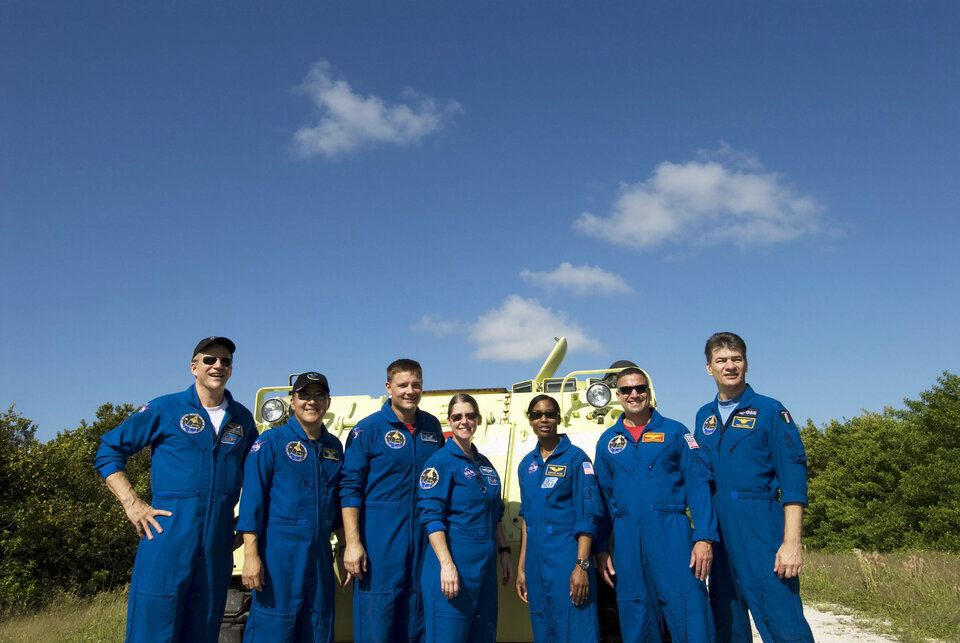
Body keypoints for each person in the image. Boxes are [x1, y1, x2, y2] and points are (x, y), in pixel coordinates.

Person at [94, 336, 258, 642]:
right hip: (167, 535)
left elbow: (258, 474)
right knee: (154, 628)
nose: (217, 365)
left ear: (231, 370)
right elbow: (108, 450)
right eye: (209, 360)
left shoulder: (243, 419)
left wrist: (245, 524)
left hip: (218, 546)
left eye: (225, 361)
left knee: (204, 629)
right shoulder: (165, 408)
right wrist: (132, 503)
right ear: (194, 367)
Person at [694, 332, 814, 643]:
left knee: (782, 621)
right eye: (721, 360)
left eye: (736, 359)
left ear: (746, 364)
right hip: (718, 533)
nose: (729, 366)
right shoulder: (703, 417)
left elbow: (793, 482)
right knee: (727, 623)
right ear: (709, 367)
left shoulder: (771, 411)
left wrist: (791, 544)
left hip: (760, 526)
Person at [594, 367, 718, 643]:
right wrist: (601, 548)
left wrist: (704, 538)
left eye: (640, 388)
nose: (634, 394)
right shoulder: (607, 442)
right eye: (627, 390)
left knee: (687, 609)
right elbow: (602, 500)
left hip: (672, 535)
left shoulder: (675, 432)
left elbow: (698, 486)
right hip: (627, 540)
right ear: (618, 395)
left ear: (649, 392)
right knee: (636, 613)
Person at [340, 358, 446, 642]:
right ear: (389, 387)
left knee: (418, 624)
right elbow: (350, 487)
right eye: (403, 385)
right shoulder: (368, 429)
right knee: (377, 625)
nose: (410, 391)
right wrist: (352, 543)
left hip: (423, 545)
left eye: (416, 385)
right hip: (380, 544)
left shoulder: (432, 428)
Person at [238, 371, 345, 642]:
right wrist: (251, 557)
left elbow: (338, 504)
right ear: (293, 401)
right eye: (305, 395)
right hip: (279, 555)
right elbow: (252, 502)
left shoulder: (334, 447)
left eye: (319, 395)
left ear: (328, 402)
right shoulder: (270, 442)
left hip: (320, 556)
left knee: (318, 626)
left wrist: (344, 547)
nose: (312, 402)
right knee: (273, 628)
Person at [417, 393, 514, 643]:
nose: (464, 421)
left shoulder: (486, 466)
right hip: (454, 565)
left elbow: (495, 514)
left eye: (470, 416)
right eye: (457, 416)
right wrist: (447, 566)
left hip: (485, 566)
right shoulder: (439, 462)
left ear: (478, 419)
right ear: (449, 421)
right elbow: (431, 517)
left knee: (483, 634)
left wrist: (504, 552)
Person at [515, 394, 603, 642]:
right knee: (544, 627)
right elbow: (527, 521)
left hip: (566, 555)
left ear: (559, 418)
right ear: (530, 420)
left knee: (576, 625)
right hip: (535, 560)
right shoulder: (526, 466)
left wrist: (582, 566)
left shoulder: (576, 459)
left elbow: (588, 516)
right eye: (537, 415)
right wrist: (522, 568)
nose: (544, 419)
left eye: (550, 414)